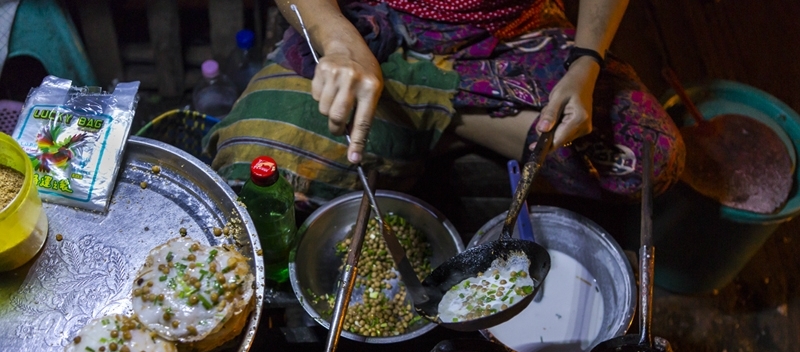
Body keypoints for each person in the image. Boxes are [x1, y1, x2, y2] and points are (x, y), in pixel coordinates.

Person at [203, 0, 684, 203]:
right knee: (254, 167)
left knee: (645, 159)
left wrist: (586, 62)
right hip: (374, 22)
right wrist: (339, 41)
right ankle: (429, 109)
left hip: (505, 38)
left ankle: (431, 114)